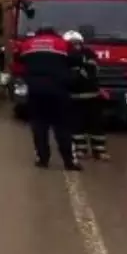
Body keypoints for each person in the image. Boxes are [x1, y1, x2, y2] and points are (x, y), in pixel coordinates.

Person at [16, 25, 81, 171]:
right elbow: (77, 60)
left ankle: (42, 159)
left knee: (39, 125)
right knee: (62, 127)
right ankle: (69, 161)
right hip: (58, 90)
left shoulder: (27, 44)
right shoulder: (62, 44)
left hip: (35, 91)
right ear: (54, 33)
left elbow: (18, 61)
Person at [65, 30, 109, 161]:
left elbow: (93, 70)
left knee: (96, 125)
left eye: (77, 43)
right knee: (76, 126)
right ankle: (80, 149)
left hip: (92, 96)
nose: (75, 46)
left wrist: (79, 68)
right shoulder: (63, 56)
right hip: (73, 97)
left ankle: (99, 151)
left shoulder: (88, 54)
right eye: (71, 44)